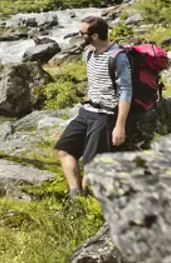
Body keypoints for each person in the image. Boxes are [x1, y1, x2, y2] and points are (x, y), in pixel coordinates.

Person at [55, 15, 134, 198]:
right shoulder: (89, 53)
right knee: (64, 150)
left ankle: (86, 201)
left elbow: (125, 91)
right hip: (87, 111)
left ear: (95, 35)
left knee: (91, 165)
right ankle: (76, 195)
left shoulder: (118, 57)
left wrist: (119, 126)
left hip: (106, 114)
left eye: (82, 33)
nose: (79, 35)